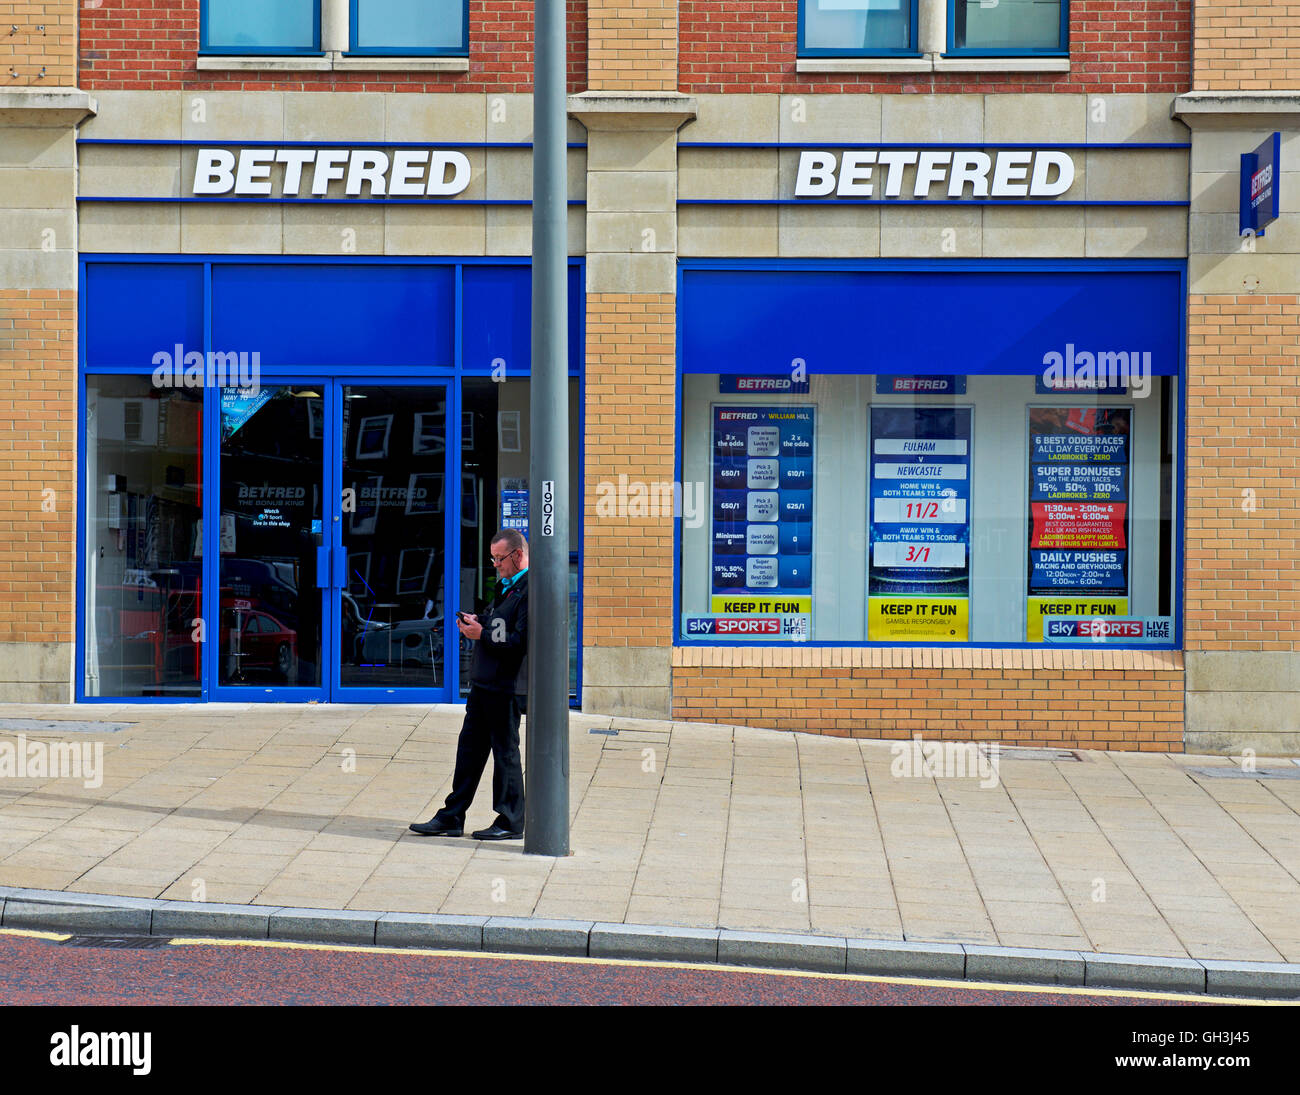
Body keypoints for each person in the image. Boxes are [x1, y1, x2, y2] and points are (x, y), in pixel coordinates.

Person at [410, 529, 528, 840]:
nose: (496, 565)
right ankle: (452, 816)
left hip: (506, 686)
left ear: (517, 555)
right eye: (492, 559)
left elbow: (519, 640)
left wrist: (482, 634)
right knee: (469, 751)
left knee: (505, 753)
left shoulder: (530, 589)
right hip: (484, 684)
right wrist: (481, 621)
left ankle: (511, 820)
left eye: (500, 558)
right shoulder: (507, 587)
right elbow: (502, 627)